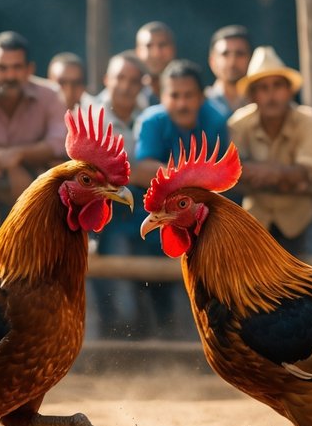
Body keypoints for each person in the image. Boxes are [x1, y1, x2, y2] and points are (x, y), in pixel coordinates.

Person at [132, 59, 227, 338]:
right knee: (151, 284)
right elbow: (141, 170)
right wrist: (191, 178)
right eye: (174, 95)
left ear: (201, 96)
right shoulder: (152, 120)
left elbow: (221, 174)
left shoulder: (216, 120)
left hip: (201, 221)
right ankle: (156, 337)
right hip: (155, 217)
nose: (182, 103)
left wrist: (174, 177)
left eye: (189, 95)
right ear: (162, 96)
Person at [227, 45, 312, 256]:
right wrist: (285, 174)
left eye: (277, 86)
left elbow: (311, 170)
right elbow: (231, 169)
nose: (271, 95)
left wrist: (263, 172)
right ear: (252, 95)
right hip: (256, 221)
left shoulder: (308, 120)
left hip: (301, 219)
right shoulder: (238, 124)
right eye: (263, 88)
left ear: (289, 90)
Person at [0, 31, 67, 213]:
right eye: (3, 68)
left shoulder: (51, 96)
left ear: (29, 69)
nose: (10, 76)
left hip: (41, 192)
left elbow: (58, 144)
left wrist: (17, 155)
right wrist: (3, 161)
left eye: (17, 67)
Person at [89, 51, 150, 339]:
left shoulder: (149, 113)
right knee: (120, 296)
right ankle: (114, 353)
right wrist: (139, 171)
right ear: (106, 80)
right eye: (119, 78)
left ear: (142, 84)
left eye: (133, 80)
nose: (125, 86)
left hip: (143, 213)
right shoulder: (90, 117)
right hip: (107, 219)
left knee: (155, 286)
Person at [205, 25, 252, 118]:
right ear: (212, 61)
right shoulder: (200, 104)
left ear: (251, 59)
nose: (232, 62)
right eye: (225, 54)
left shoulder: (261, 104)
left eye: (240, 54)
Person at [135, 21, 176, 99]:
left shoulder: (189, 93)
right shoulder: (129, 95)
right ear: (138, 52)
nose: (156, 54)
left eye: (162, 45)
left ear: (173, 49)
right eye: (149, 46)